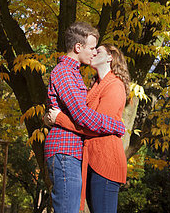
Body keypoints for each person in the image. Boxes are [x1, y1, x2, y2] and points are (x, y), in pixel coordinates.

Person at [44, 22, 126, 213]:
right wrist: (116, 126)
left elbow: (82, 115)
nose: (93, 52)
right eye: (91, 48)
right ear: (78, 47)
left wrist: (57, 118)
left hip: (74, 154)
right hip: (65, 150)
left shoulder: (77, 75)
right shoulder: (65, 72)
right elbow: (83, 116)